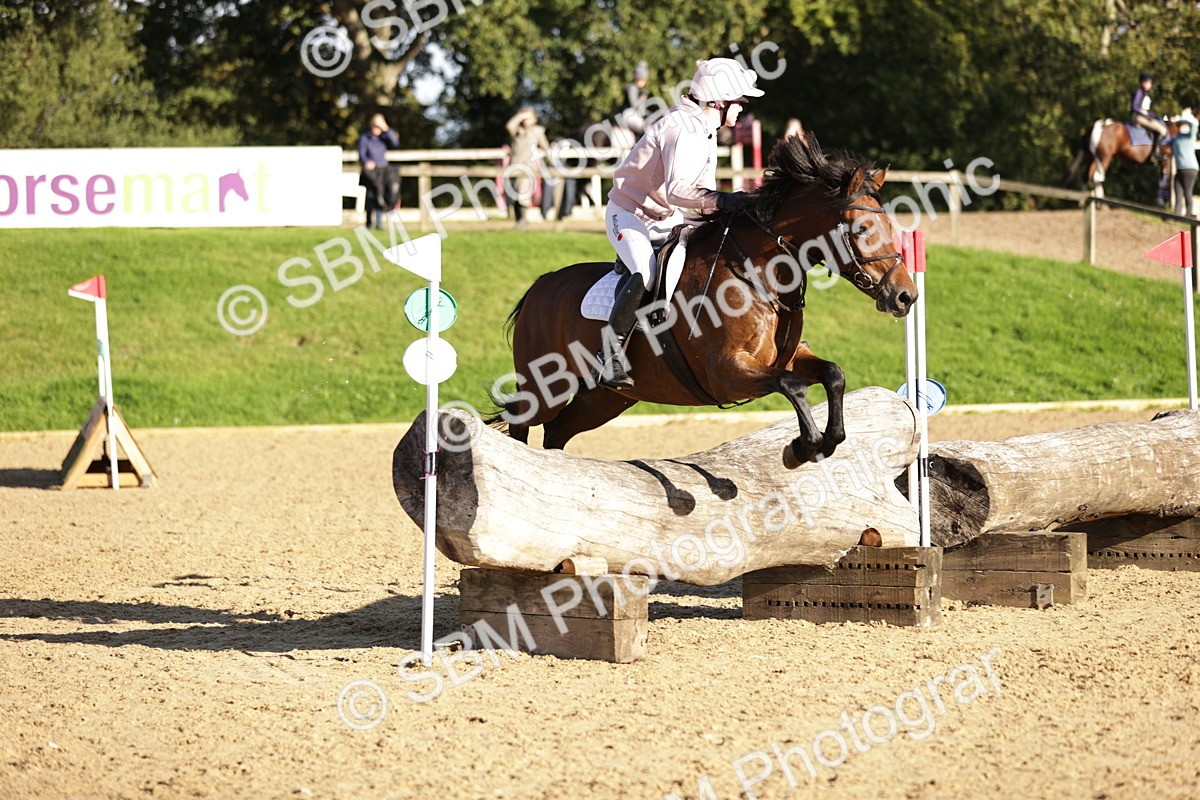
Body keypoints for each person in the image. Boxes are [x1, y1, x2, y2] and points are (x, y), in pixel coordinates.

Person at [595, 57, 764, 389]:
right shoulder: (681, 128)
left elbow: (700, 195)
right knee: (645, 272)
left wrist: (729, 213)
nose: (742, 109)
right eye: (740, 103)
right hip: (628, 214)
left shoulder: (706, 130)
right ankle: (608, 354)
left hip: (667, 215)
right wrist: (725, 200)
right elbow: (678, 191)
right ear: (720, 100)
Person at [505, 106, 552, 229]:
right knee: (514, 195)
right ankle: (518, 221)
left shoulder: (537, 131)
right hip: (514, 166)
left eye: (528, 117)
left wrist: (552, 162)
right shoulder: (517, 130)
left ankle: (522, 221)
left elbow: (546, 147)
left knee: (523, 194)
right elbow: (509, 126)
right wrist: (521, 116)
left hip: (527, 168)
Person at [357, 113, 400, 229]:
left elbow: (395, 142)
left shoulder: (383, 138)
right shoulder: (365, 138)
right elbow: (361, 154)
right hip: (370, 173)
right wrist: (367, 162)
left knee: (381, 196)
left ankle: (379, 224)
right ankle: (368, 223)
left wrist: (385, 127)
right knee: (371, 196)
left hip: (382, 171)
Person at [1131, 71, 1169, 163]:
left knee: (1157, 124)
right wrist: (1143, 111)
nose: (1150, 85)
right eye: (1149, 83)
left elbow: (1147, 112)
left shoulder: (1143, 93)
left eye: (1151, 83)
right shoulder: (1139, 92)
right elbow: (1135, 106)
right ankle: (1155, 153)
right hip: (1137, 117)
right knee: (1163, 130)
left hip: (1141, 116)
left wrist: (1156, 116)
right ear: (1143, 82)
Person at [1172, 102, 1198, 218]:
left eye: (1182, 124)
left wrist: (1187, 117)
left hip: (1190, 169)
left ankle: (1189, 215)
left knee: (1187, 192)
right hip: (1180, 168)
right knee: (1178, 192)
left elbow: (1195, 125)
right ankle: (1177, 215)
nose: (1180, 126)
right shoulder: (1177, 137)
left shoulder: (1190, 135)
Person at [621, 61, 651, 137]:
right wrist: (642, 99)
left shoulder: (643, 90)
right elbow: (634, 105)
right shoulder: (632, 88)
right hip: (629, 114)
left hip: (636, 114)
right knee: (644, 128)